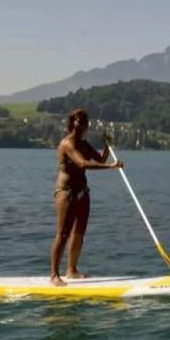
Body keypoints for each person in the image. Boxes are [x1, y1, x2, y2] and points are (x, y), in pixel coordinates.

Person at [50, 109, 123, 286]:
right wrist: (112, 167)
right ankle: (54, 275)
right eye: (79, 121)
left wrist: (107, 146)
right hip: (66, 192)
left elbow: (99, 159)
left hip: (83, 192)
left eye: (85, 121)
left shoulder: (84, 144)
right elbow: (82, 163)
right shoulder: (68, 144)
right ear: (72, 123)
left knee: (79, 232)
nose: (82, 124)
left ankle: (72, 270)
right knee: (63, 234)